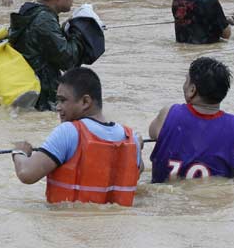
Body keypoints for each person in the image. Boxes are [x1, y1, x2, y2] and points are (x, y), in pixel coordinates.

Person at [10, 67, 142, 206]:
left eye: (63, 100)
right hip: (117, 226)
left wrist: (19, 152)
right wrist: (138, 147)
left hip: (69, 225)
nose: (58, 107)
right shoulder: (131, 138)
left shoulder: (68, 131)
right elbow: (137, 174)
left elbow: (27, 173)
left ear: (85, 102)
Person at [148, 57, 234, 182]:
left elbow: (152, 133)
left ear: (192, 90)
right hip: (216, 204)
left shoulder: (168, 114)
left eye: (186, 81)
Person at [8, 0, 90, 111]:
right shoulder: (44, 20)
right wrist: (80, 32)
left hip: (30, 98)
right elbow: (68, 59)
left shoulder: (30, 11)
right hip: (42, 101)